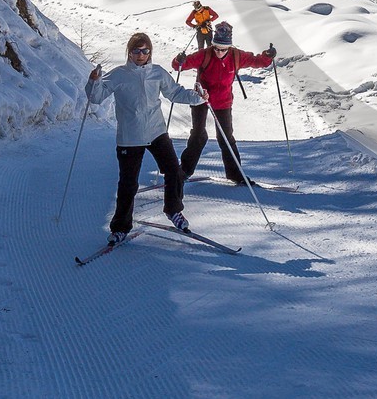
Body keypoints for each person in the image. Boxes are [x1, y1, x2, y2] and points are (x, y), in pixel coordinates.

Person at [86, 31, 207, 242]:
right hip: (129, 136)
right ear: (129, 52)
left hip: (156, 131)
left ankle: (173, 210)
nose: (141, 55)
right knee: (128, 184)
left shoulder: (157, 73)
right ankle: (121, 228)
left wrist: (197, 98)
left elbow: (175, 92)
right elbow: (96, 97)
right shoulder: (119, 74)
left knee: (174, 171)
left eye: (145, 50)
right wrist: (93, 82)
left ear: (150, 52)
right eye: (136, 51)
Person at [173, 21, 276, 186]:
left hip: (223, 101)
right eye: (216, 48)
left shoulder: (236, 56)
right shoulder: (205, 54)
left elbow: (257, 61)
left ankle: (236, 175)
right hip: (201, 98)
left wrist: (267, 56)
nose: (219, 52)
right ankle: (183, 172)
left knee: (226, 138)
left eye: (223, 49)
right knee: (198, 135)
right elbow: (179, 65)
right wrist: (180, 60)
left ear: (229, 46)